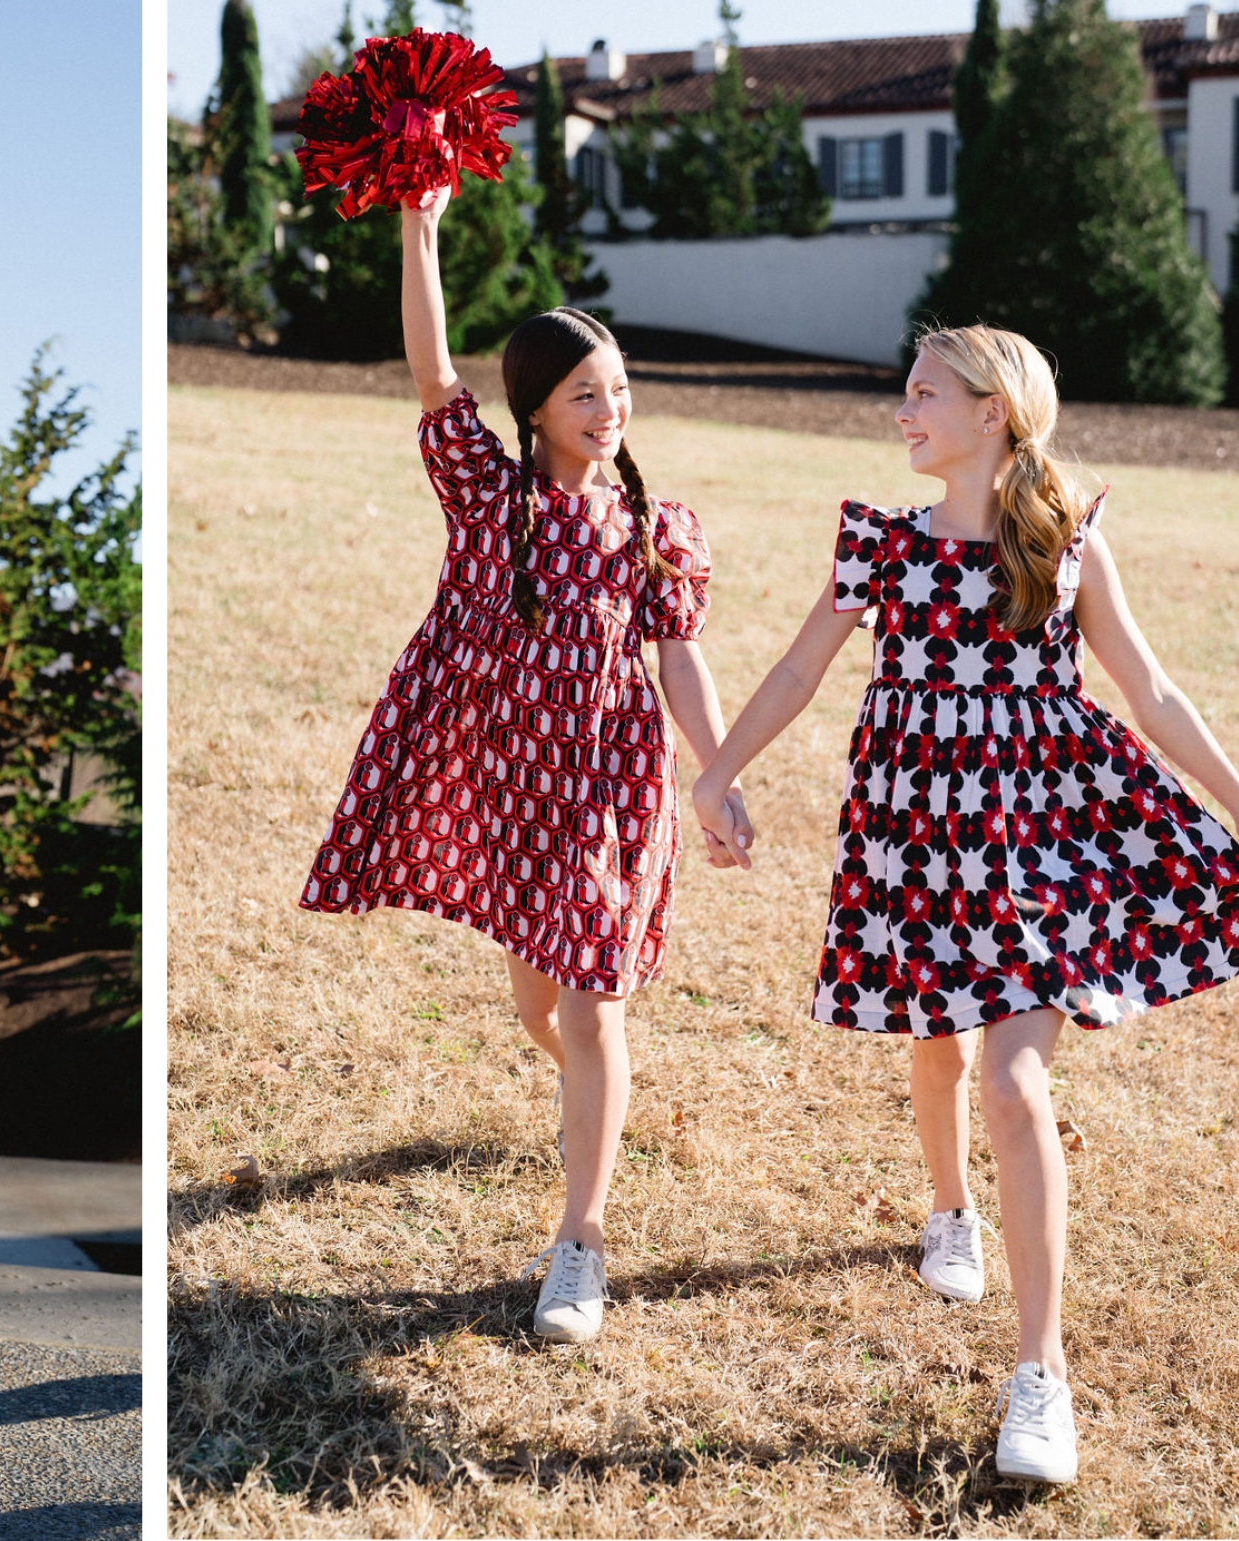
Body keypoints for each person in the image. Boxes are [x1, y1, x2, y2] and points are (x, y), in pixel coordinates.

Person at [691, 324, 1239, 1484]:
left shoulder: (1063, 536)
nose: (902, 408)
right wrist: (716, 770)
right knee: (935, 1044)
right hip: (914, 834)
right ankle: (950, 1209)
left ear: (990, 410)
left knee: (1009, 1075)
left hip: (1042, 836)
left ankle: (1039, 1370)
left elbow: (1148, 689)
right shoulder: (879, 545)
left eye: (922, 391)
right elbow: (796, 668)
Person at [298, 182, 751, 1346]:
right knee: (536, 1008)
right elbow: (430, 370)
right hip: (514, 791)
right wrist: (418, 227)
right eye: (584, 392)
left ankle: (578, 1242)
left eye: (618, 388)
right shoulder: (489, 497)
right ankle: (596, 1098)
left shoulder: (652, 526)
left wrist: (715, 773)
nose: (609, 409)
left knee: (590, 1012)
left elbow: (679, 660)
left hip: (610, 789)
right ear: (536, 408)